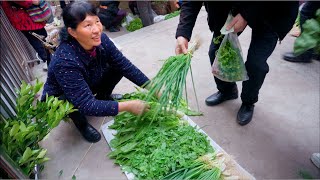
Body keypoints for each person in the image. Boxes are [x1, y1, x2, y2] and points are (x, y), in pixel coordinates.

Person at [41, 1, 150, 143]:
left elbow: (125, 65)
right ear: (72, 32)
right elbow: (85, 104)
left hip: (87, 79)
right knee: (76, 103)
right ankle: (82, 125)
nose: (96, 29)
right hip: (61, 96)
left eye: (97, 21)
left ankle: (103, 97)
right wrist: (127, 106)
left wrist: (151, 86)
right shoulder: (65, 61)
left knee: (117, 66)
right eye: (87, 25)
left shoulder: (101, 39)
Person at [175, 2, 298, 126]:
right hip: (232, 7)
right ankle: (227, 91)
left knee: (255, 64)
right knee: (216, 52)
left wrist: (246, 14)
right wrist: (183, 32)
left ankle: (248, 102)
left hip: (271, 10)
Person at [1, 0, 51, 69]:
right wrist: (32, 1)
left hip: (28, 18)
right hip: (26, 20)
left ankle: (50, 59)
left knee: (42, 40)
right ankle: (49, 61)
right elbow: (28, 2)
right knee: (39, 42)